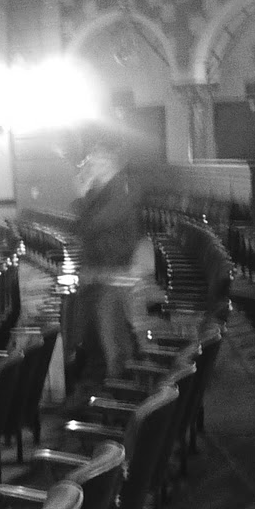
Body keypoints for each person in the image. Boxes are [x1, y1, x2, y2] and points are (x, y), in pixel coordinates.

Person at [71, 136, 150, 385]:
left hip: (115, 273)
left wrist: (82, 194)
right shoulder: (104, 191)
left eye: (95, 159)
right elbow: (84, 227)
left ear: (108, 162)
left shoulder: (120, 190)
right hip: (103, 271)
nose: (90, 165)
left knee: (114, 340)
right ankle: (109, 385)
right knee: (102, 336)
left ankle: (123, 391)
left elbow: (90, 225)